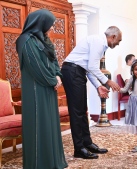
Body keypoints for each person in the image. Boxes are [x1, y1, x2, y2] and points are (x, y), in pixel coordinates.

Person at [15, 9, 68, 169]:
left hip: (49, 89)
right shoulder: (25, 40)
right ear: (40, 23)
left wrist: (58, 76)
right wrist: (53, 80)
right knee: (40, 124)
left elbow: (54, 60)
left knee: (50, 125)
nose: (51, 28)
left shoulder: (44, 39)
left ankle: (53, 162)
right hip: (36, 91)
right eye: (49, 24)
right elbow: (35, 67)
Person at [61, 26, 121, 159]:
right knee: (77, 112)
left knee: (82, 110)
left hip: (78, 71)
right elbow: (92, 67)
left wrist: (98, 86)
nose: (118, 43)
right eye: (119, 40)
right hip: (72, 72)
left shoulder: (100, 43)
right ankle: (79, 148)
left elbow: (89, 68)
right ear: (113, 37)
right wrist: (108, 81)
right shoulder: (99, 42)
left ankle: (87, 144)